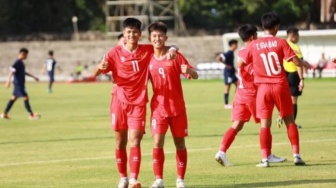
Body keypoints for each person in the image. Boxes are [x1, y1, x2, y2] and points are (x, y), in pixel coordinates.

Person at [94, 18, 177, 188]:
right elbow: (96, 72)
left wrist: (174, 49)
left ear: (140, 35)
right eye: (128, 32)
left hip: (138, 103)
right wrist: (100, 67)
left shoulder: (147, 50)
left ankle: (133, 179)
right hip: (118, 101)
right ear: (124, 34)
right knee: (119, 142)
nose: (131, 35)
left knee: (135, 140)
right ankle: (123, 177)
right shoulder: (114, 52)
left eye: (135, 32)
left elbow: (164, 47)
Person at [239, 12, 311, 167]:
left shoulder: (253, 45)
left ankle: (265, 159)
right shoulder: (281, 43)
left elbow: (242, 63)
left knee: (265, 124)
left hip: (263, 88)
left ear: (263, 26)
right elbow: (295, 62)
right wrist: (304, 64)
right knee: (290, 121)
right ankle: (296, 155)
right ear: (276, 27)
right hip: (280, 85)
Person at [215, 24, 285, 167]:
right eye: (257, 35)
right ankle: (267, 155)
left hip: (240, 93)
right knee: (266, 123)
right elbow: (255, 71)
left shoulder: (241, 51)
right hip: (253, 94)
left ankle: (221, 151)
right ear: (253, 37)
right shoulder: (254, 51)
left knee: (236, 125)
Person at [147, 22, 198, 188]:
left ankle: (180, 180)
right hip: (158, 109)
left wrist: (188, 71)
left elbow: (195, 75)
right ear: (150, 38)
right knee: (157, 142)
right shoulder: (147, 58)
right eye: (154, 36)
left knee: (180, 144)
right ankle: (159, 180)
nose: (157, 39)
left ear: (166, 38)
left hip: (177, 109)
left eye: (160, 36)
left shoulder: (175, 56)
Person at [277, 28, 308, 128]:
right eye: (297, 35)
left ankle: (280, 115)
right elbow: (299, 64)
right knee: (293, 100)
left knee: (284, 98)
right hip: (293, 75)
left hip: (282, 75)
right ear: (293, 35)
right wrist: (302, 80)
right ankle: (292, 124)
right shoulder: (295, 47)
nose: (298, 38)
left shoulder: (281, 44)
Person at [1, 48, 41, 120]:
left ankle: (4, 113)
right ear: (23, 54)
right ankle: (31, 115)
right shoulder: (17, 62)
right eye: (26, 55)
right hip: (19, 84)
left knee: (13, 98)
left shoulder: (21, 63)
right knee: (25, 97)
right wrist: (8, 81)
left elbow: (24, 72)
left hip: (19, 84)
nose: (27, 57)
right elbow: (11, 70)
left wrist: (33, 77)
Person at [216, 39, 238, 109]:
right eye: (236, 44)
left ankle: (236, 101)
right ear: (232, 45)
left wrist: (234, 69)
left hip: (232, 72)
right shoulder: (229, 53)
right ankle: (226, 104)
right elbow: (218, 58)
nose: (236, 46)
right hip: (228, 73)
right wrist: (226, 65)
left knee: (239, 85)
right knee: (227, 88)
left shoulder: (232, 53)